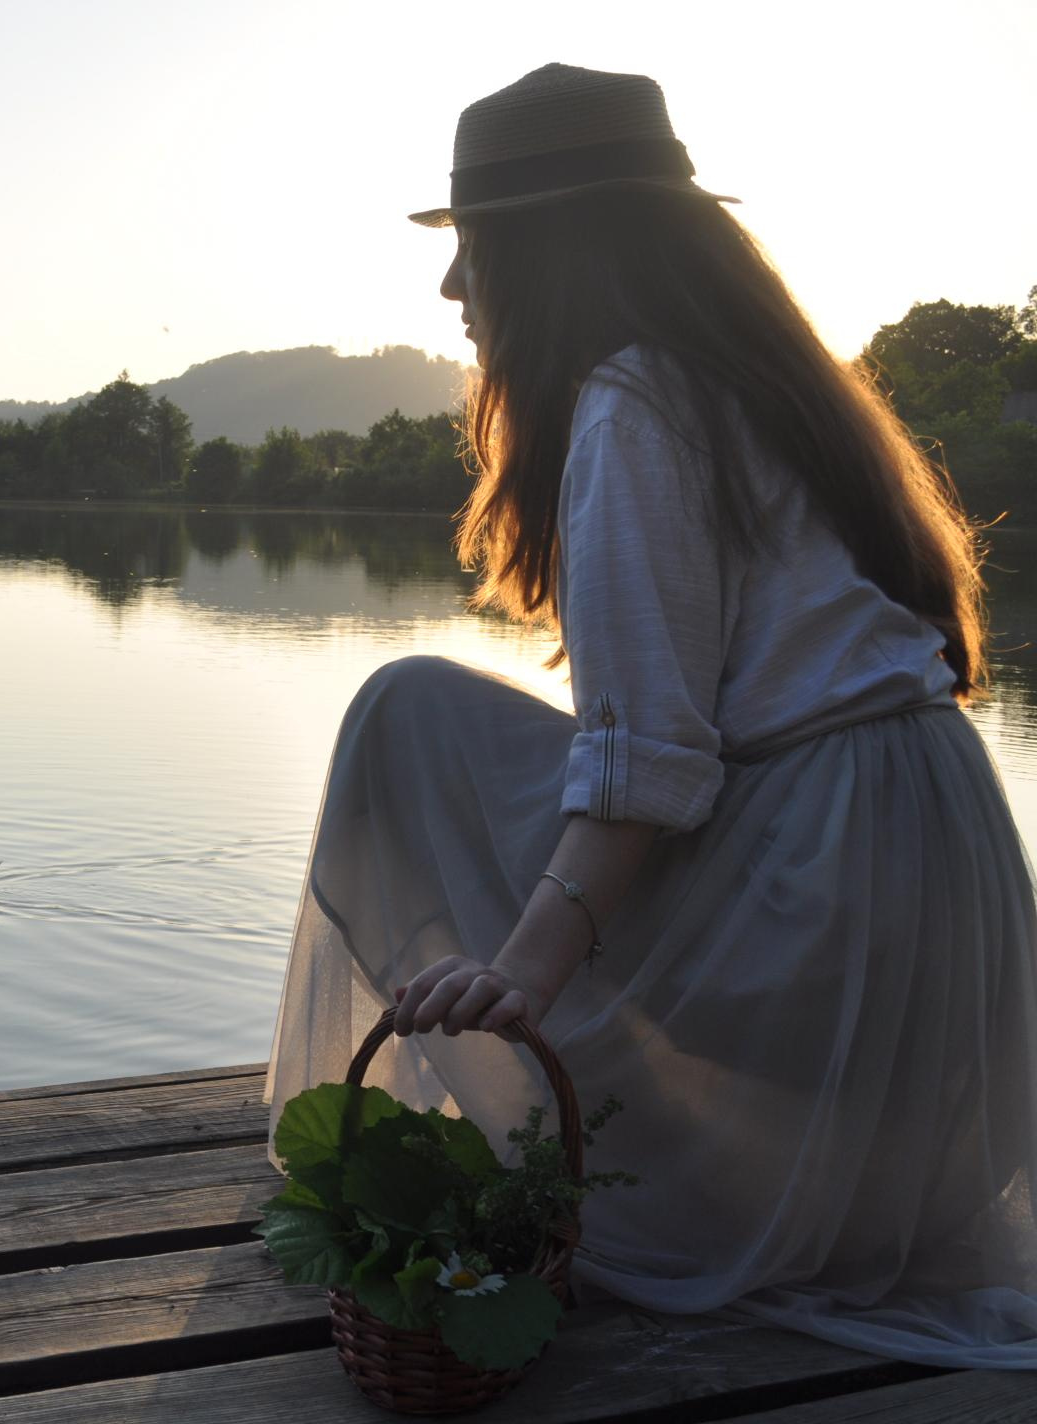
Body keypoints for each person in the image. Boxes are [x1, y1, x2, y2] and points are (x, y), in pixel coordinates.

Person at [263, 62, 1037, 1368]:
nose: (454, 289)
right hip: (933, 883)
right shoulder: (784, 396)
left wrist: (521, 972)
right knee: (478, 741)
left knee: (405, 713)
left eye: (476, 249)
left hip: (820, 887)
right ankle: (743, 1168)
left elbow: (646, 764)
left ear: (554, 251)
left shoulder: (636, 400)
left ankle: (444, 1137)